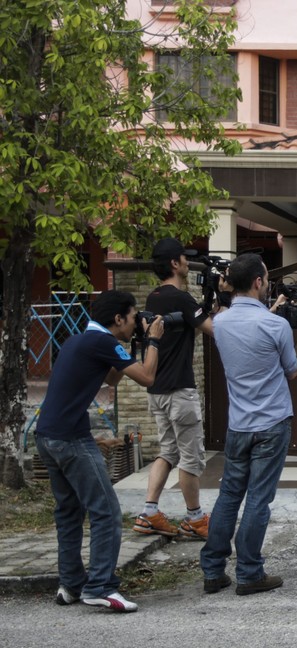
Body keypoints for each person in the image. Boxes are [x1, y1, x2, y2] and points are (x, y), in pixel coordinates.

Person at [35, 290, 165, 613]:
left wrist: (130, 349)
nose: (137, 322)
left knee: (69, 513)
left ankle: (71, 584)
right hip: (71, 440)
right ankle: (101, 586)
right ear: (118, 319)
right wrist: (154, 341)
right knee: (105, 510)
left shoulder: (80, 340)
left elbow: (111, 377)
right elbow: (148, 378)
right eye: (133, 317)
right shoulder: (103, 343)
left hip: (46, 437)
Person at [200, 253, 297, 596]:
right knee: (258, 499)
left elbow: (249, 331)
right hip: (272, 422)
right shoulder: (274, 325)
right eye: (265, 278)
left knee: (229, 495)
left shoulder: (219, 322)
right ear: (258, 283)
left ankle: (213, 570)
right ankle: (249, 572)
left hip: (239, 424)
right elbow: (292, 369)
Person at [134, 237, 214, 540]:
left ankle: (149, 512)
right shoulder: (179, 298)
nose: (187, 262)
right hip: (180, 391)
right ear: (174, 263)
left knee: (167, 452)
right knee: (191, 457)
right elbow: (212, 328)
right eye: (184, 257)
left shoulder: (154, 298)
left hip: (157, 391)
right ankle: (195, 519)